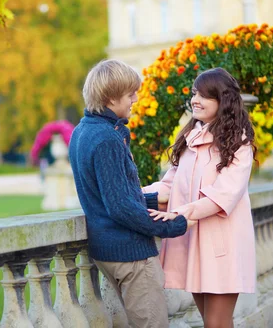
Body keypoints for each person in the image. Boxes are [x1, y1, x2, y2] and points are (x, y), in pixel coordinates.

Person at [69, 59, 194, 328]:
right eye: (130, 94)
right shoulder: (106, 139)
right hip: (130, 255)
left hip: (107, 250)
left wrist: (153, 200)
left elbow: (105, 195)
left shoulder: (82, 132)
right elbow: (120, 207)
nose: (136, 98)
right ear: (111, 97)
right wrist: (175, 225)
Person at [147, 67, 256, 328]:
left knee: (216, 323)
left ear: (223, 101)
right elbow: (168, 185)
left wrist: (181, 213)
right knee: (212, 322)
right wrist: (128, 194)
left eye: (204, 95)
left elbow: (224, 194)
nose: (195, 99)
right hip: (193, 243)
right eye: (195, 93)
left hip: (222, 245)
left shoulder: (239, 143)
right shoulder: (190, 139)